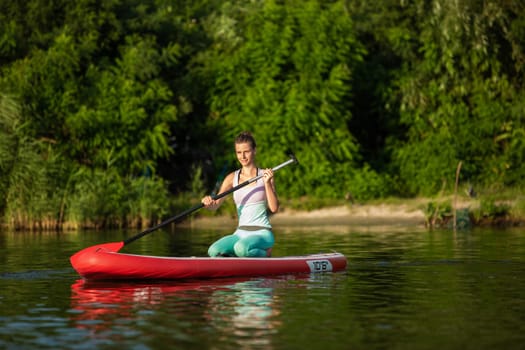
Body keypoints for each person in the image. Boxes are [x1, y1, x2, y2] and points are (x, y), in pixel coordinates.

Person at [201, 131, 279, 257]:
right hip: (240, 233)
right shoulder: (231, 178)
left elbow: (274, 208)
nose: (242, 156)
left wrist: (267, 183)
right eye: (239, 152)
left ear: (254, 151)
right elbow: (215, 205)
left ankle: (265, 253)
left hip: (262, 233)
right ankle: (237, 259)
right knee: (214, 251)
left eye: (246, 151)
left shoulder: (265, 175)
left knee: (241, 248)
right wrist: (208, 203)